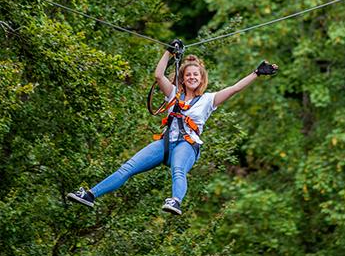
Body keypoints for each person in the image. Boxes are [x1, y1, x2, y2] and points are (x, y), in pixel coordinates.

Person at [67, 39, 278, 215]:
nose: (192, 77)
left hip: (187, 145)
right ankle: (90, 195)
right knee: (128, 168)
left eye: (196, 75)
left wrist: (256, 73)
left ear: (202, 79)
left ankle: (175, 201)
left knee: (178, 170)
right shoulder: (173, 93)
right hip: (166, 143)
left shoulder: (208, 100)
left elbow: (234, 89)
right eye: (188, 75)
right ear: (183, 79)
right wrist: (168, 52)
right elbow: (158, 75)